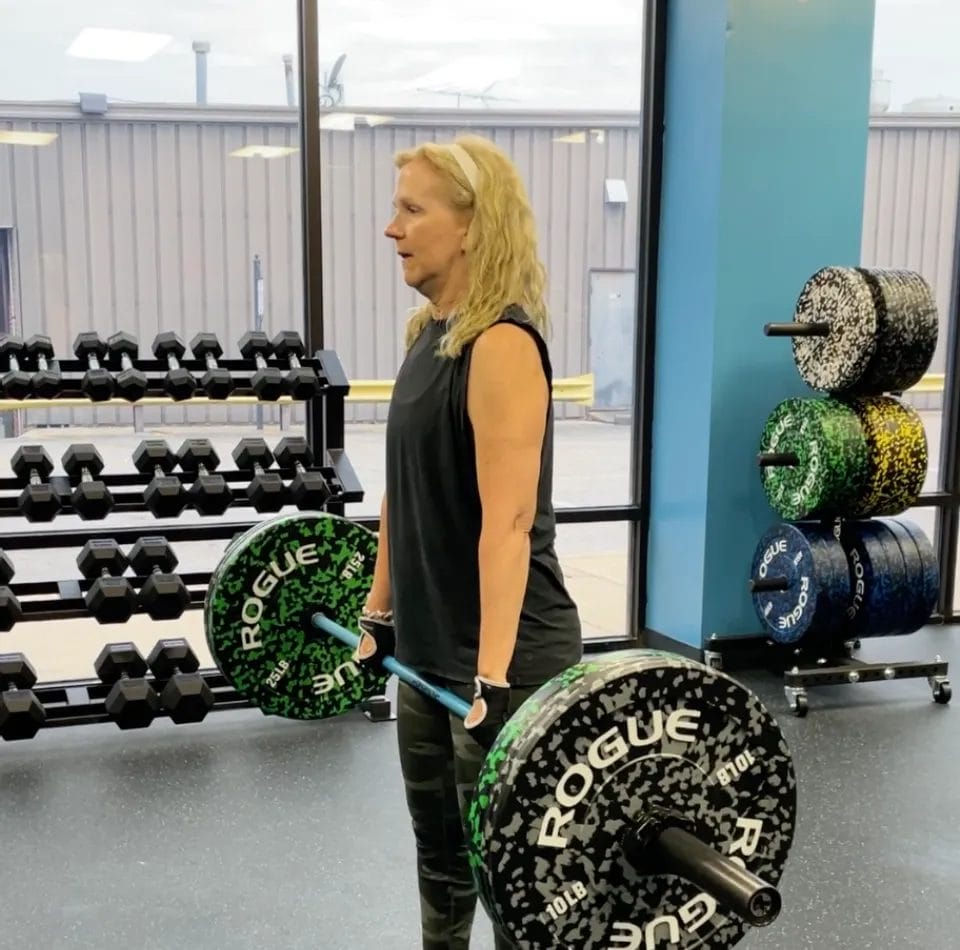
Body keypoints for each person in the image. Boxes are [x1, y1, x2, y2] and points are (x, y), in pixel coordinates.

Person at [352, 133, 583, 950]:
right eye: (396, 210)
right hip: (426, 655)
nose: (393, 229)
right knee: (441, 858)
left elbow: (510, 523)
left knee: (517, 879)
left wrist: (491, 679)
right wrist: (379, 616)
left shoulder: (502, 346)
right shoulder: (428, 336)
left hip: (508, 661)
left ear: (472, 227)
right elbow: (401, 493)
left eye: (412, 210)